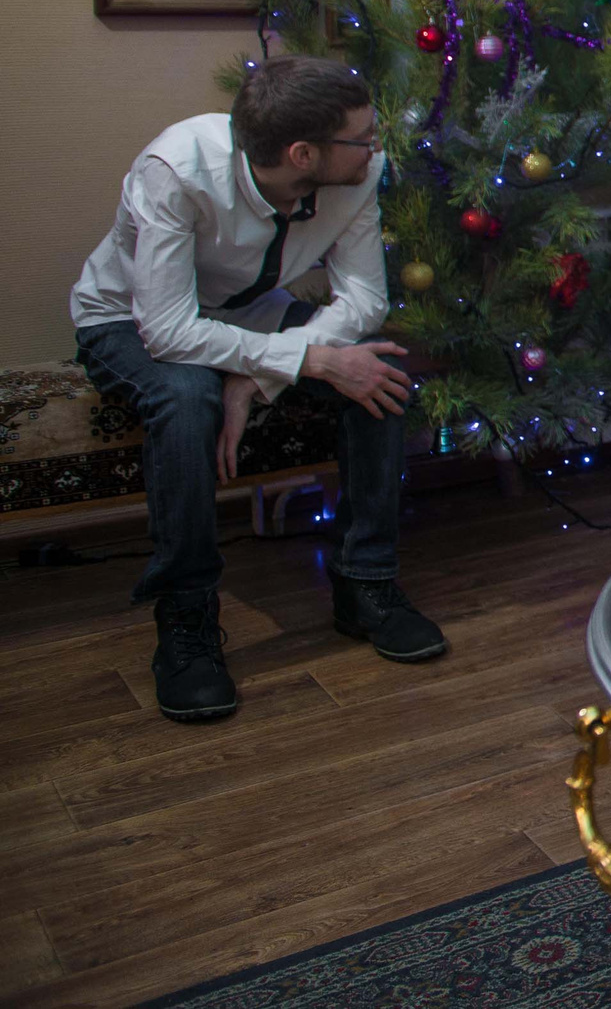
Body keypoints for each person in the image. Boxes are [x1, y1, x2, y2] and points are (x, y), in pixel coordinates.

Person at [70, 56, 443, 724]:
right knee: (188, 400)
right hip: (125, 318)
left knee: (378, 378)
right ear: (303, 153)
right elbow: (167, 330)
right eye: (362, 137)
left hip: (247, 315)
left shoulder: (357, 174)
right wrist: (305, 359)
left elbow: (364, 296)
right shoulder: (177, 170)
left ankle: (366, 584)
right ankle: (186, 618)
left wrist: (263, 369)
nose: (376, 147)